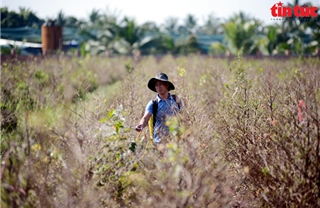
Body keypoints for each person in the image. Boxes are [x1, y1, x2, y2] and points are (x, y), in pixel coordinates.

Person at [135, 72, 182, 145]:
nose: (158, 87)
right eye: (156, 85)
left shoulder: (177, 100)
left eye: (161, 84)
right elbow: (145, 118)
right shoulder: (153, 103)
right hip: (159, 144)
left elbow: (184, 117)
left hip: (176, 143)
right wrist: (141, 125)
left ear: (167, 85)